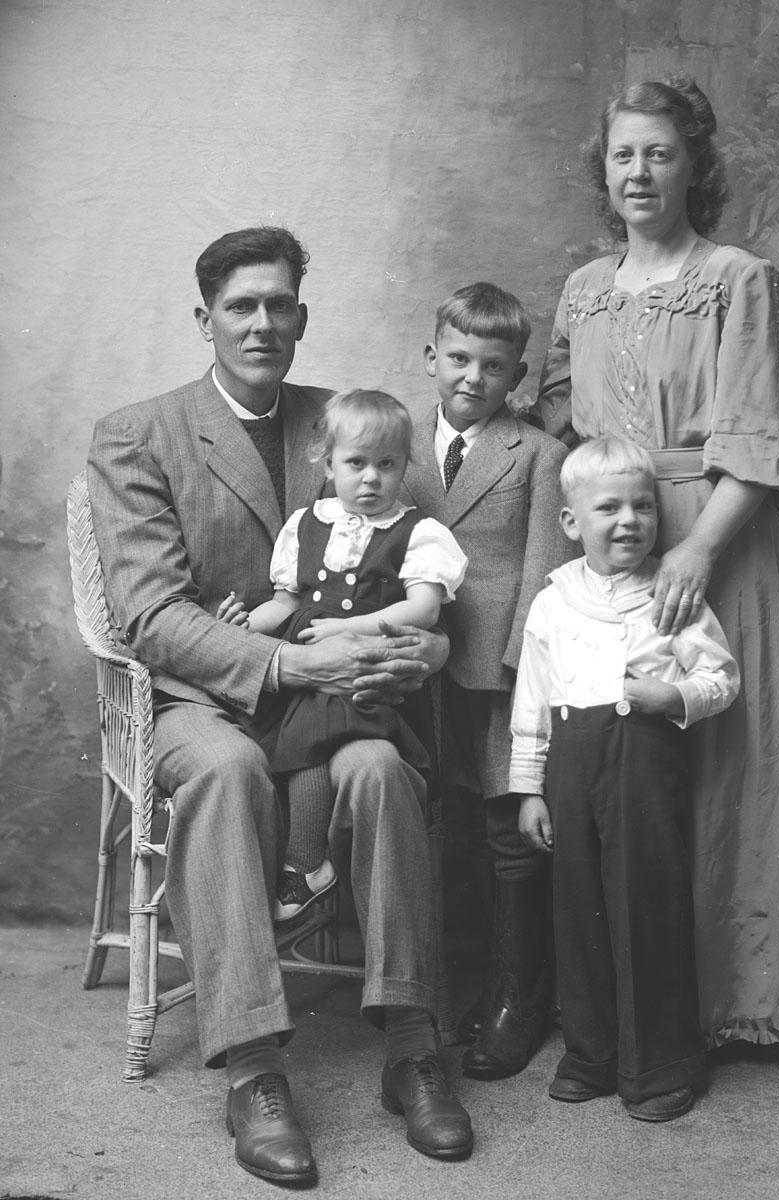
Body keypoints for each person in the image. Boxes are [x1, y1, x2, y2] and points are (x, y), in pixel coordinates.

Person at [85, 227, 474, 1187]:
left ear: (301, 316)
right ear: (205, 319)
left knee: (379, 769)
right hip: (201, 699)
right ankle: (254, 1068)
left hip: (336, 704)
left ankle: (411, 1045)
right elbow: (150, 615)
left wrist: (418, 651)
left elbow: (413, 566)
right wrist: (294, 663)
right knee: (227, 770)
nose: (261, 323)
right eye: (240, 306)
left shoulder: (342, 422)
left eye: (278, 305)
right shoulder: (138, 435)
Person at [534, 78, 779, 1050]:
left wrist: (694, 547)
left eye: (659, 152)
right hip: (612, 539)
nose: (639, 172)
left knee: (722, 764)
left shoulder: (739, 278)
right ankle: (629, 1008)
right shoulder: (581, 290)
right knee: (624, 760)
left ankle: (731, 1004)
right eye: (623, 154)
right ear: (602, 173)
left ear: (695, 166)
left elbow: (760, 437)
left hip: (715, 535)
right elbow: (557, 429)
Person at [511, 436, 740, 1120]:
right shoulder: (553, 601)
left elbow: (721, 676)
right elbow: (532, 699)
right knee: (577, 905)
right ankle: (592, 1052)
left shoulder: (670, 595)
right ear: (570, 521)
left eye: (643, 507)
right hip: (570, 765)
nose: (629, 521)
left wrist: (673, 697)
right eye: (608, 507)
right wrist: (528, 789)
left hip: (642, 760)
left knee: (647, 904)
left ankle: (661, 1065)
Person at [401, 282, 572, 1081]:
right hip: (416, 667)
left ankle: (518, 999)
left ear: (517, 375)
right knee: (451, 821)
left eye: (492, 366)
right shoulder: (396, 444)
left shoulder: (536, 455)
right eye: (459, 358)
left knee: (508, 828)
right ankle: (471, 983)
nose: (472, 377)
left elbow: (543, 574)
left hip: (498, 671)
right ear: (431, 357)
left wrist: (520, 674)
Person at [217, 387, 467, 926]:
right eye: (356, 463)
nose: (371, 478)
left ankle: (305, 863)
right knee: (301, 738)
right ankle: (304, 862)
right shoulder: (307, 524)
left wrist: (347, 628)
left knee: (310, 735)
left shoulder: (418, 533)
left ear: (405, 467)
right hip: (311, 675)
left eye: (387, 464)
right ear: (328, 464)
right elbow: (286, 603)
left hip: (370, 675)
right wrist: (240, 628)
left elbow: (423, 609)